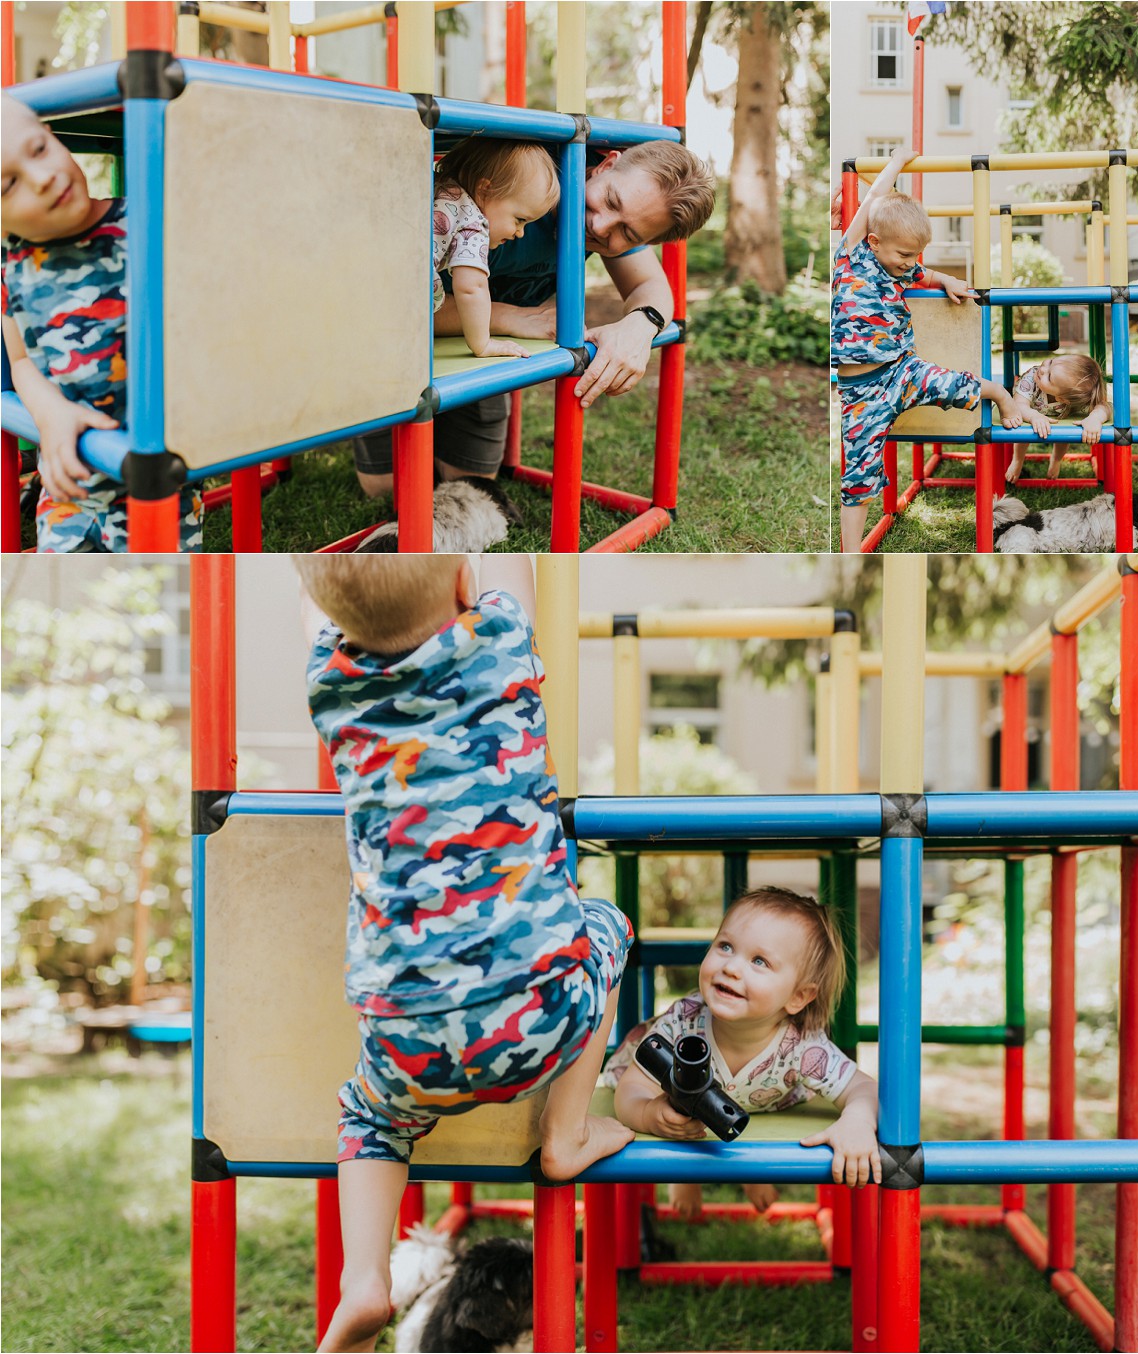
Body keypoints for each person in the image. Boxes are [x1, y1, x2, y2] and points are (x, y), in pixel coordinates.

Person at [295, 553, 633, 1354]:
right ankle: (568, 1131)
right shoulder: (501, 644)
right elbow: (516, 569)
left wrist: (317, 588)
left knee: (370, 1122)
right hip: (540, 1013)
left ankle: (365, 1279)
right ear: (460, 587)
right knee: (608, 925)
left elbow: (314, 613)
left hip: (403, 1035)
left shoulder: (331, 691)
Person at [353, 140, 716, 500]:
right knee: (388, 491)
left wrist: (640, 327)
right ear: (605, 165)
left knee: (471, 484)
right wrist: (513, 318)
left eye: (629, 234)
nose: (602, 227)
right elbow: (391, 303)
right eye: (610, 200)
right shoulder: (522, 174)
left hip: (480, 353)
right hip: (401, 338)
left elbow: (648, 285)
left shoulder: (631, 208)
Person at [0, 94, 203, 552]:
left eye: (39, 150)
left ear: (53, 137)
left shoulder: (147, 226)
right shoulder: (12, 266)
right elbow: (20, 361)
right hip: (68, 489)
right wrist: (50, 414)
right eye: (8, 185)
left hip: (156, 483)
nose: (42, 177)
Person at [601, 887, 880, 1221]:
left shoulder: (804, 1047)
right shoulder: (683, 1022)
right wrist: (648, 1114)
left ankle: (749, 1172)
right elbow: (632, 1089)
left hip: (762, 1099)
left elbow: (865, 1089)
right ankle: (684, 1173)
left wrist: (857, 1121)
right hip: (676, 1094)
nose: (731, 967)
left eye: (759, 961)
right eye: (725, 946)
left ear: (799, 997)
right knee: (676, 1110)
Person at [832, 144, 1018, 552]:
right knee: (858, 474)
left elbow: (922, 270)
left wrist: (945, 280)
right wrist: (896, 162)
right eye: (903, 254)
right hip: (861, 393)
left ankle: (1001, 394)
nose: (909, 262)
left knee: (954, 384)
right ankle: (849, 552)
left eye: (914, 255)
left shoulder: (903, 266)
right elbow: (873, 198)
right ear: (875, 241)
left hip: (902, 370)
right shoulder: (851, 256)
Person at [429, 139, 560, 360]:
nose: (520, 233)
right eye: (519, 219)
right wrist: (483, 344)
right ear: (484, 190)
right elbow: (471, 288)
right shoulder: (472, 221)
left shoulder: (435, 185)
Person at [1003, 353, 1110, 482]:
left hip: (1060, 417)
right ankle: (1018, 460)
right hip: (1030, 411)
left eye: (1049, 377)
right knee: (1023, 434)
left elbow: (1106, 407)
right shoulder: (1031, 378)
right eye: (1051, 362)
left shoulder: (1074, 399)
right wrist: (1034, 416)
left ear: (1062, 399)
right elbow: (1018, 405)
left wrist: (1095, 418)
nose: (1042, 369)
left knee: (1064, 437)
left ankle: (1056, 460)